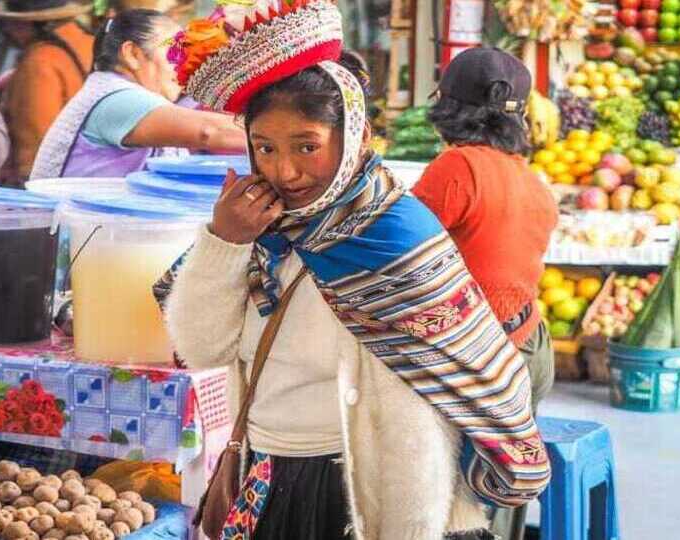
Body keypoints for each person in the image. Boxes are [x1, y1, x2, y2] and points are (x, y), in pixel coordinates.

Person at [155, 2, 551, 539]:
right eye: (264, 147)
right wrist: (223, 242)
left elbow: (476, 372)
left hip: (375, 485)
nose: (284, 170)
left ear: (355, 138)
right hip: (269, 474)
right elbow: (204, 350)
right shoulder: (254, 228)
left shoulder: (398, 237)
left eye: (307, 146)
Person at [411, 47, 559, 411]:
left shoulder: (457, 166)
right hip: (531, 347)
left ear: (447, 108)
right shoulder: (532, 180)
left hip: (485, 359)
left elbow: (400, 251)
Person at [30, 9, 246, 179]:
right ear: (132, 54)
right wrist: (276, 133)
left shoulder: (113, 91)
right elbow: (209, 132)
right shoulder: (117, 99)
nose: (185, 64)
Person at [0, 0, 95, 185]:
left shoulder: (38, 63)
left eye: (9, 23)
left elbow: (35, 143)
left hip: (50, 181)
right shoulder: (89, 42)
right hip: (86, 171)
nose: (7, 30)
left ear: (24, 23)